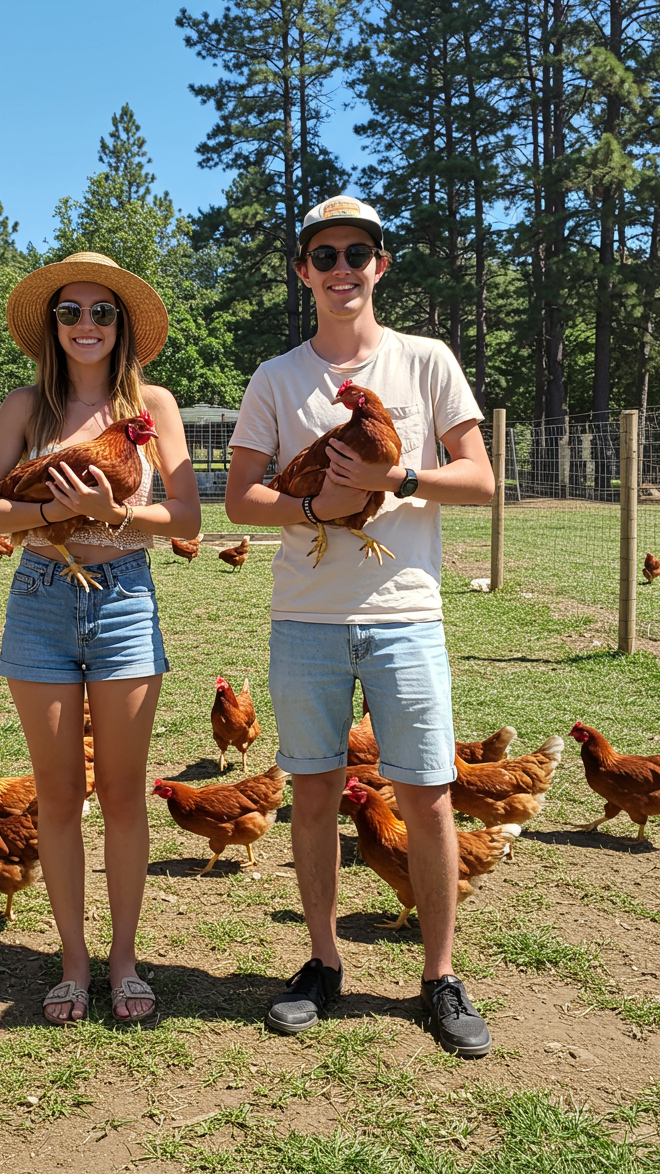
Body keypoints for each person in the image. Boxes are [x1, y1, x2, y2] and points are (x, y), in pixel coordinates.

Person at [225, 196, 495, 1057]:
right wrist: (318, 501)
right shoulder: (274, 377)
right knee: (312, 792)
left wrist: (401, 473)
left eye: (358, 252)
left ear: (381, 265)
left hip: (406, 614)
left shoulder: (427, 361)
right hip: (305, 616)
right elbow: (240, 498)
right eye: (324, 254)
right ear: (303, 271)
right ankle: (322, 961)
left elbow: (481, 479)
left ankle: (440, 974)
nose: (342, 267)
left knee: (426, 796)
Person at [0, 251, 200, 1027]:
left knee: (126, 794)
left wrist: (111, 513)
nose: (88, 324)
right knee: (60, 796)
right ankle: (72, 963)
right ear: (53, 326)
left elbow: (189, 522)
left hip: (125, 597)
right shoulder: (24, 407)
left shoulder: (155, 405)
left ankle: (124, 958)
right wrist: (48, 512)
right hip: (40, 598)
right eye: (71, 312)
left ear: (123, 325)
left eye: (103, 312)